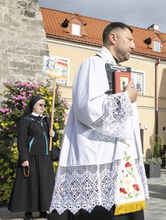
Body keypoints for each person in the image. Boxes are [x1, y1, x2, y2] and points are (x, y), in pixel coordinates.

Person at [48, 22, 149, 220]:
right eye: (129, 39)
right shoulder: (92, 65)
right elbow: (88, 109)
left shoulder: (115, 69)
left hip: (121, 167)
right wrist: (126, 98)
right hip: (97, 161)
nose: (134, 45)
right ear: (113, 38)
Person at [8, 96, 58, 220]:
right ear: (33, 106)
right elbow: (22, 140)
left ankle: (43, 210)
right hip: (32, 157)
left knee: (44, 185)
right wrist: (24, 158)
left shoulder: (47, 120)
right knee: (31, 186)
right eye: (40, 105)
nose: (43, 107)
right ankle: (28, 212)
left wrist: (54, 134)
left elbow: (54, 139)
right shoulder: (26, 120)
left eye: (44, 105)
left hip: (45, 157)